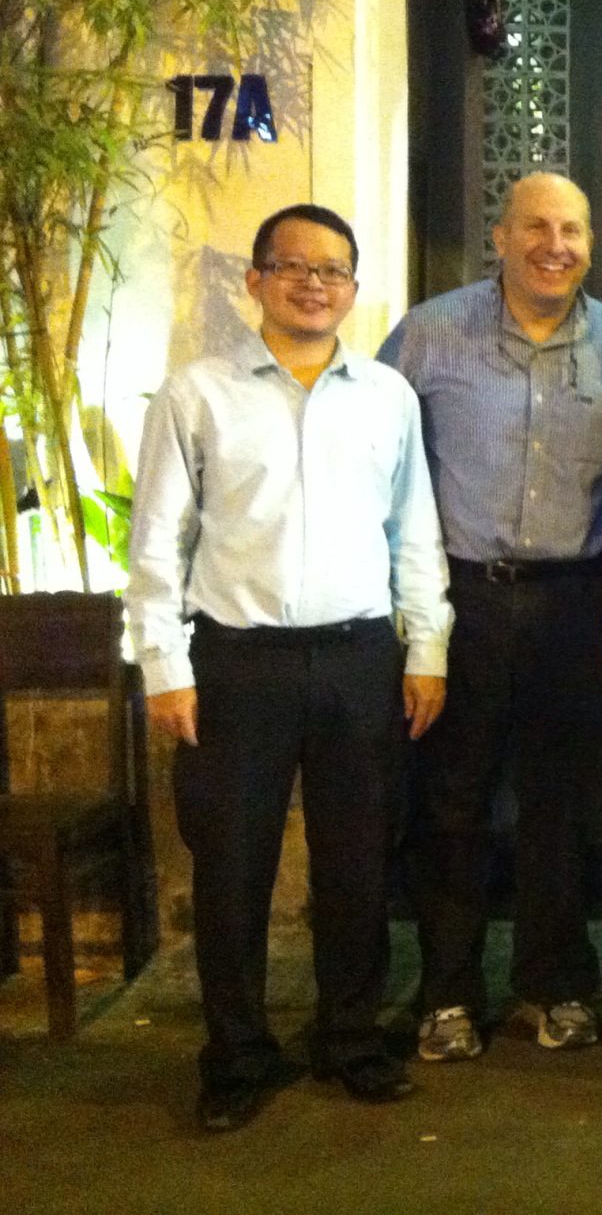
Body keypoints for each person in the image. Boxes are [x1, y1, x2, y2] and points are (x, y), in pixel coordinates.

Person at [127, 204, 452, 1131]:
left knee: (358, 862)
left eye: (334, 270)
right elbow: (158, 538)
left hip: (358, 658)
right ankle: (234, 1056)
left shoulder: (388, 394)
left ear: (354, 287)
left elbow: (414, 531)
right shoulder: (198, 393)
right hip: (235, 664)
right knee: (231, 868)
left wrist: (425, 648)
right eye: (294, 266)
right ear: (256, 281)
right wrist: (163, 662)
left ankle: (349, 1037)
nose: (315, 283)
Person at [379, 172, 602, 1062]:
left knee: (562, 803)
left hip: (572, 600)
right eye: (535, 226)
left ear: (590, 242)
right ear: (499, 237)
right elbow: (376, 459)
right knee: (450, 801)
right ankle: (449, 993)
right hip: (460, 596)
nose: (555, 245)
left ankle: (556, 983)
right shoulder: (429, 333)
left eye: (572, 229)